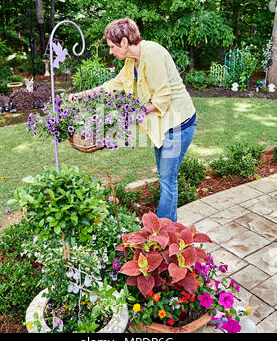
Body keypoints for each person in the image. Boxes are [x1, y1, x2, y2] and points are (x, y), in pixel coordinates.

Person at [70, 17, 197, 222]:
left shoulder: (152, 53)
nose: (111, 51)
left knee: (167, 180)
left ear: (124, 42)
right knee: (165, 178)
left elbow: (162, 98)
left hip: (178, 125)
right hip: (163, 127)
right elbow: (114, 84)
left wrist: (132, 114)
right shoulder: (131, 62)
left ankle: (162, 231)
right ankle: (166, 229)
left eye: (112, 46)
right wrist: (82, 95)